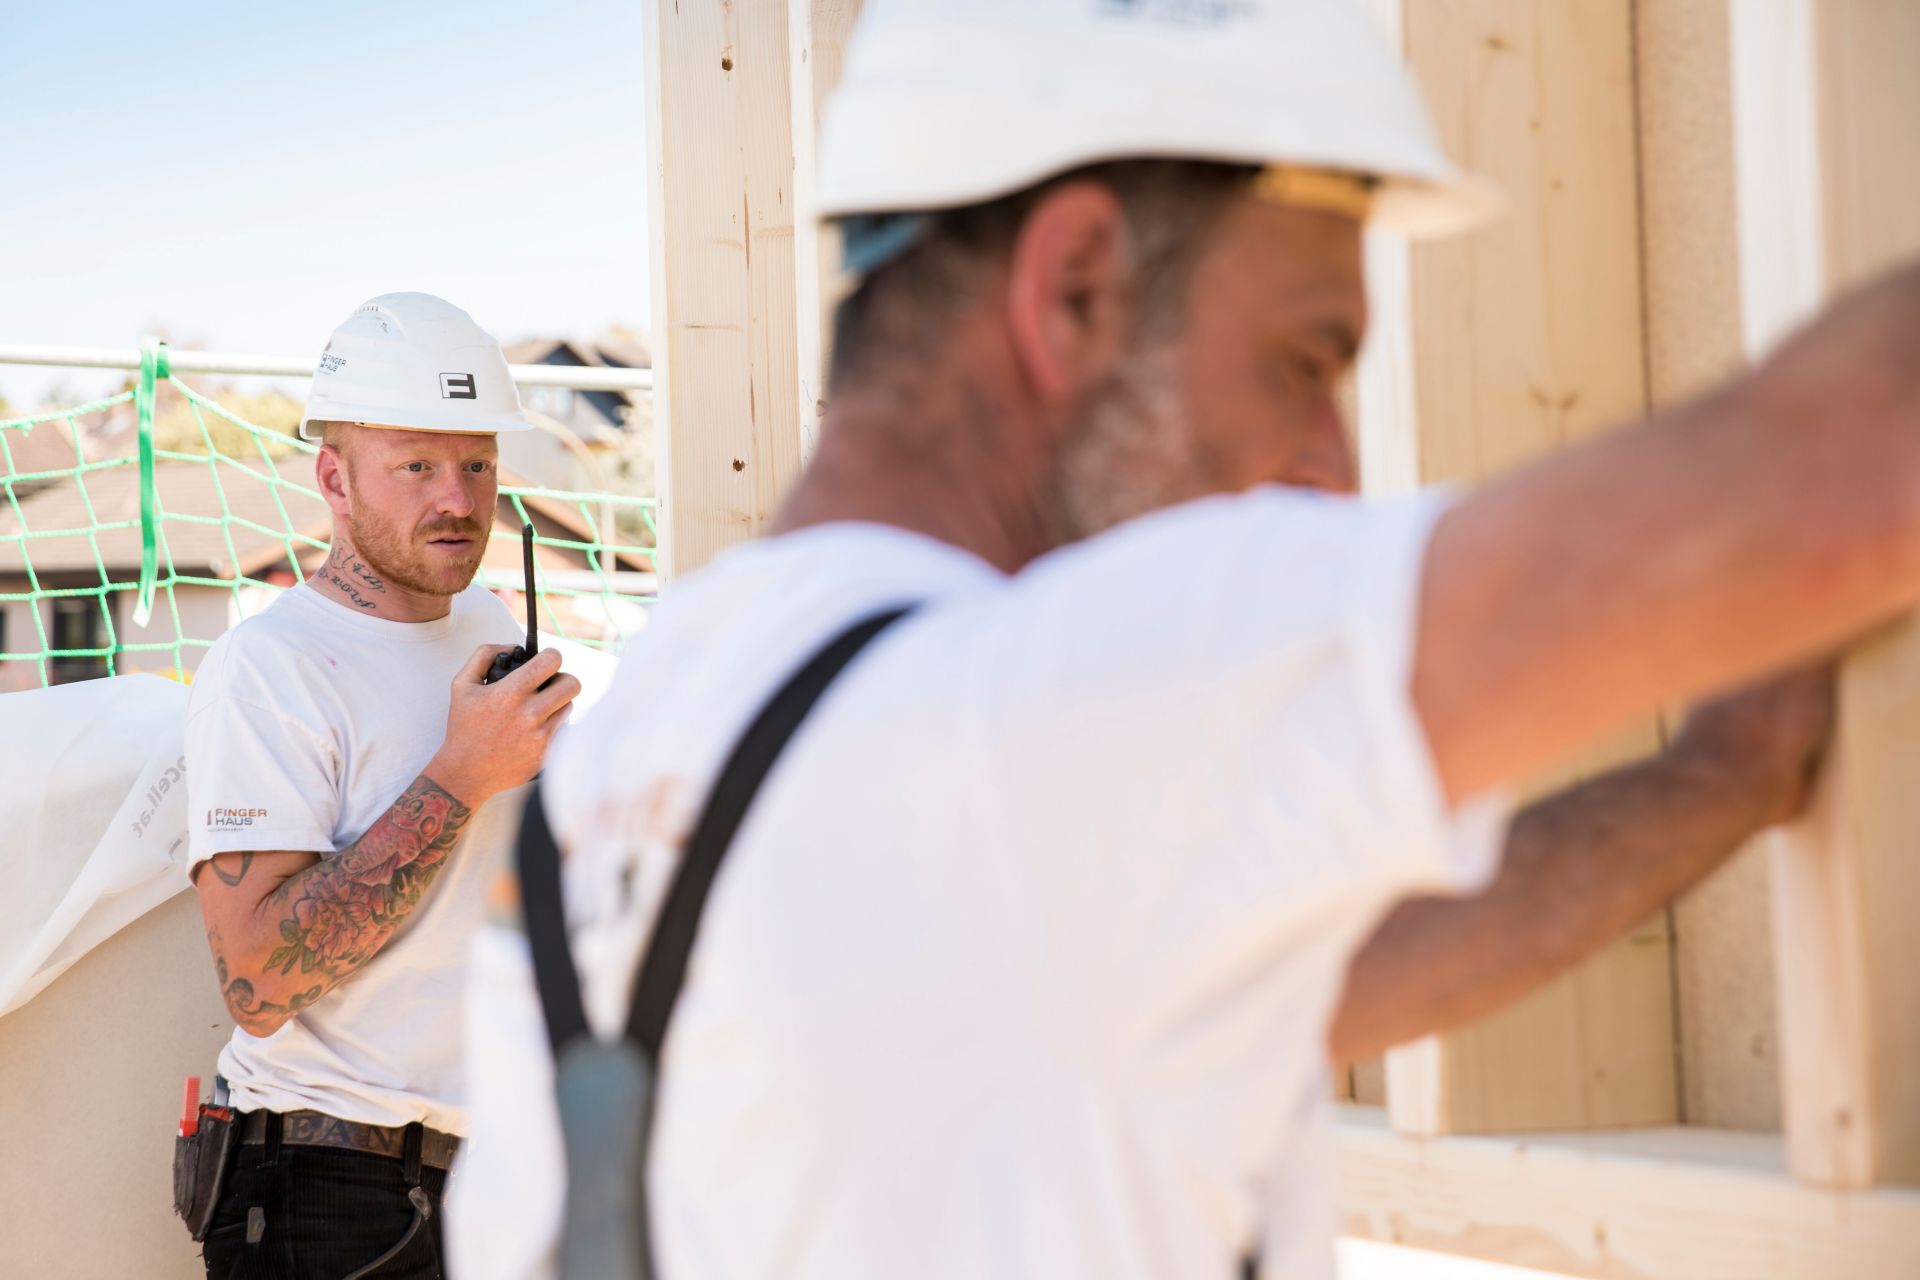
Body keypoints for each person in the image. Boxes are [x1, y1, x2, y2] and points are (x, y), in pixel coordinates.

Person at [450, 2, 1920, 1278]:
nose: (1333, 466)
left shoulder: (654, 729)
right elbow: (1850, 456)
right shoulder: (1045, 704)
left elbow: (1322, 975)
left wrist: (1716, 781)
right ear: (1078, 287)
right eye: (1304, 361)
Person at [185, 292, 581, 1279]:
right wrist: (460, 774)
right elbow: (260, 980)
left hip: (490, 1170)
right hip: (323, 1189)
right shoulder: (269, 666)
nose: (457, 497)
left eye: (477, 464)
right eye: (415, 465)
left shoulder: (488, 620)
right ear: (335, 476)